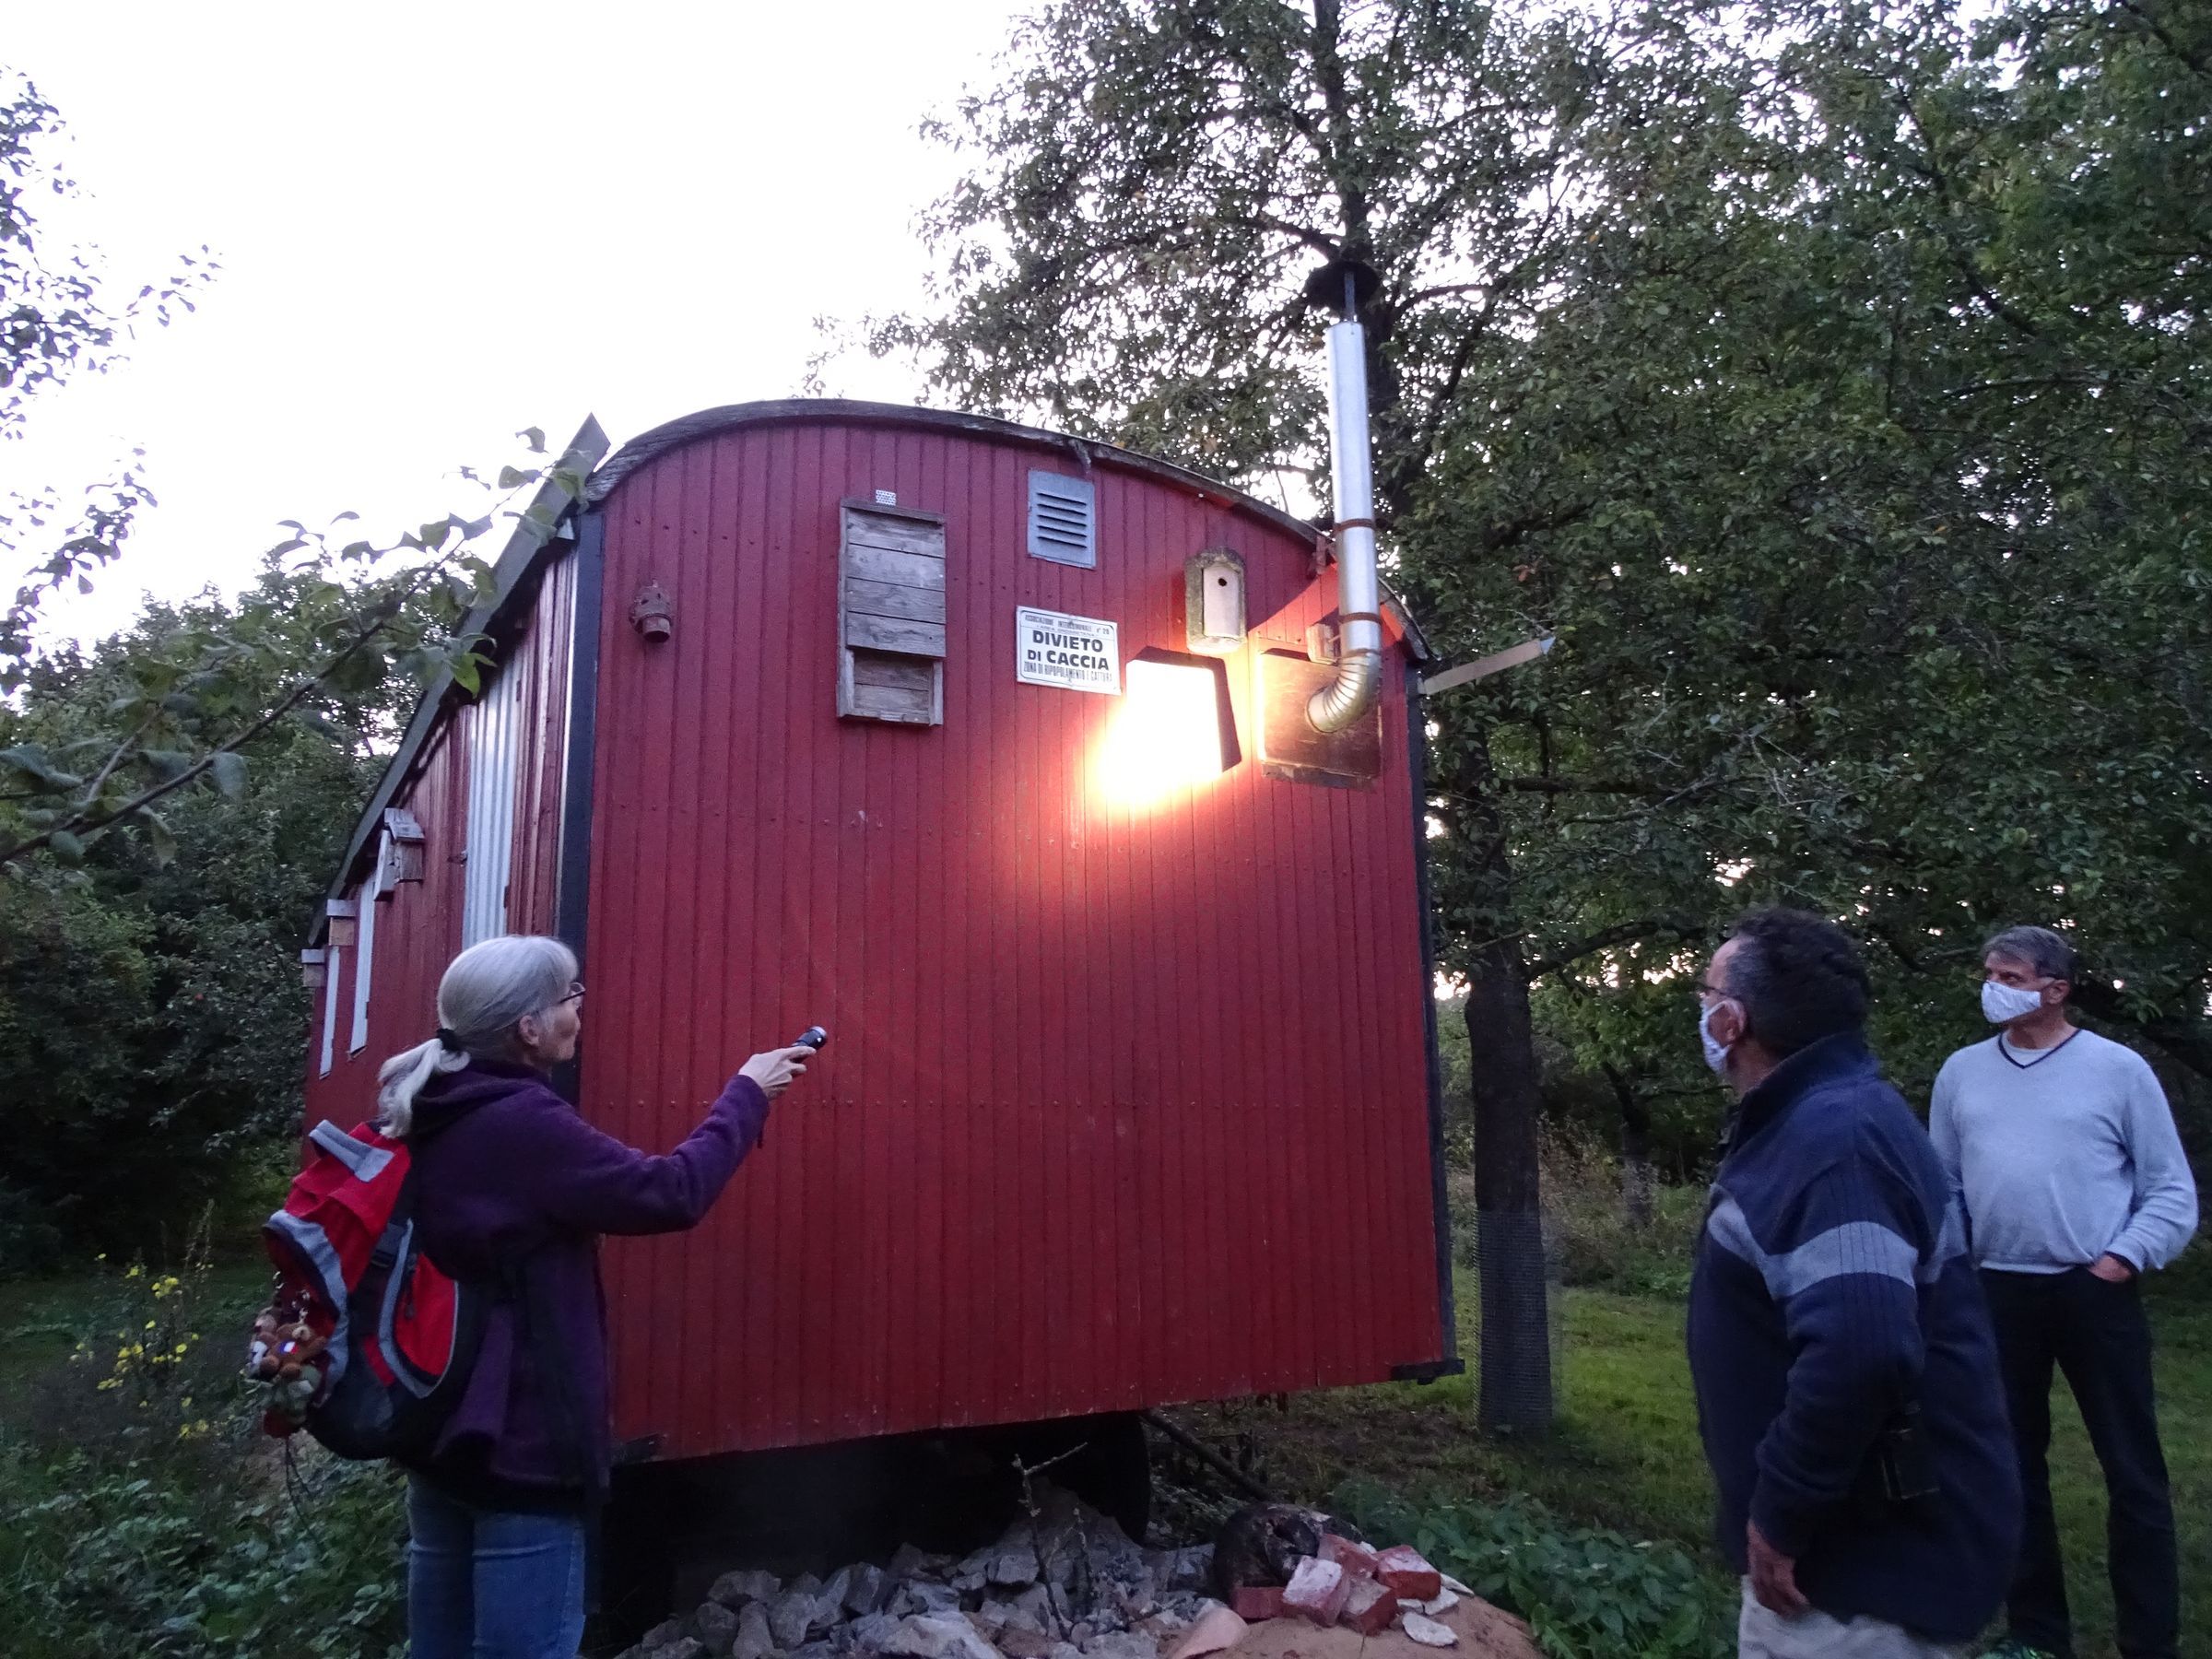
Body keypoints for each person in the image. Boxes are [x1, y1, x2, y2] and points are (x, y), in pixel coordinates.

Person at [371, 934, 815, 1659]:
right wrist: (748, 1093)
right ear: (528, 1028)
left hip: (439, 1434)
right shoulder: (522, 1124)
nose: (581, 1010)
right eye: (571, 996)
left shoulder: (431, 1104)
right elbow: (670, 1193)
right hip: (521, 1445)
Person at [1688, 908, 2020, 1658]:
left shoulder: (1836, 1143)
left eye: (1705, 994)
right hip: (1845, 1572)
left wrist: (1780, 1513)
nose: (1702, 1011)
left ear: (1733, 1019)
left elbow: (1862, 1349)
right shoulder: (1817, 1119)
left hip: (1858, 1587)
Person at [1930, 926, 2198, 1659]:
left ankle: (2150, 1640)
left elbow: (2171, 1190)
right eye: (1988, 972)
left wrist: (2121, 1260)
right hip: (1998, 1293)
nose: (1992, 985)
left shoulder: (2118, 1071)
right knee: (2012, 1466)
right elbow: (1944, 1184)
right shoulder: (1961, 1073)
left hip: (2093, 1291)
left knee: (2133, 1472)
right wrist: (1956, 1268)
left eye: (2009, 974)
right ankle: (2037, 1635)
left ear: (2055, 988)